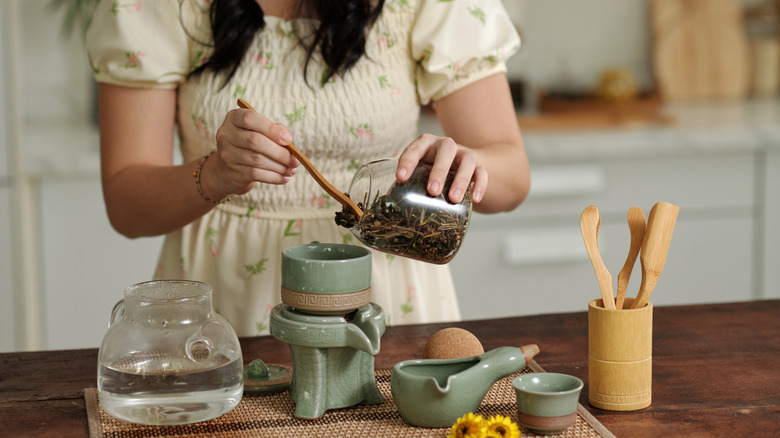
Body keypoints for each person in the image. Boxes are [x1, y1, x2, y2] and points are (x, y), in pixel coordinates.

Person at [86, 0, 530, 337]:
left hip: (386, 307)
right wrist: (217, 173)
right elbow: (126, 206)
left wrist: (467, 168)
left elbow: (512, 177)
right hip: (222, 311)